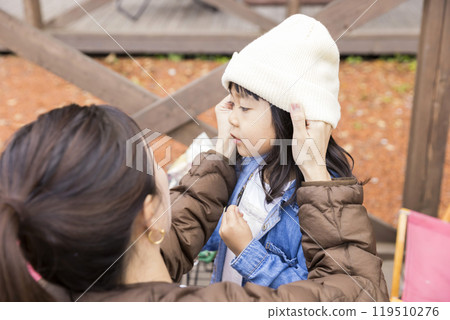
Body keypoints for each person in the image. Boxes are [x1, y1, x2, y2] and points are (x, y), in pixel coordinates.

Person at [0, 101, 388, 302]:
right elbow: (363, 300)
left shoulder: (56, 282)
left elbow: (173, 230)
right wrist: (318, 177)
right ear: (149, 216)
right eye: (158, 168)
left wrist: (221, 157)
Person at [205, 14, 356, 289]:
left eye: (245, 108)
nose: (231, 119)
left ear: (291, 116)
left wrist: (247, 251)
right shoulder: (248, 164)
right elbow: (212, 238)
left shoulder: (317, 203)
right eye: (232, 104)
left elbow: (314, 296)